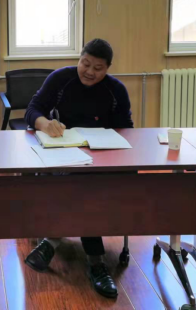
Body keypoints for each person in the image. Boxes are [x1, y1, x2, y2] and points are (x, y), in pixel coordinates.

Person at [23, 38, 133, 299]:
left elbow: (126, 129)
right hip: (65, 152)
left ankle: (52, 241)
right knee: (82, 185)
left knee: (87, 186)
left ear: (107, 68)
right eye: (85, 63)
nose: (90, 72)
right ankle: (96, 263)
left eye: (98, 68)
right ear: (79, 58)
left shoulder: (116, 90)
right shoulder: (61, 79)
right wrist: (44, 123)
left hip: (102, 157)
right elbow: (33, 109)